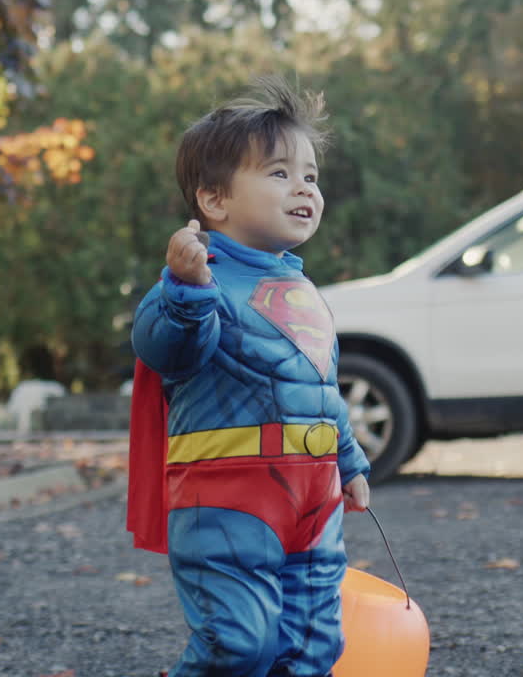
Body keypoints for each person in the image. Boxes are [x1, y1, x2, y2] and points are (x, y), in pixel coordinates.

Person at [128, 75, 372, 677]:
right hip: (227, 497)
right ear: (214, 201)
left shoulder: (303, 290)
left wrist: (349, 460)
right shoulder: (198, 279)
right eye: (279, 173)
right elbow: (169, 351)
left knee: (310, 647)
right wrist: (185, 290)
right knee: (237, 644)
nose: (304, 188)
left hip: (313, 497)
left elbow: (319, 390)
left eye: (311, 175)